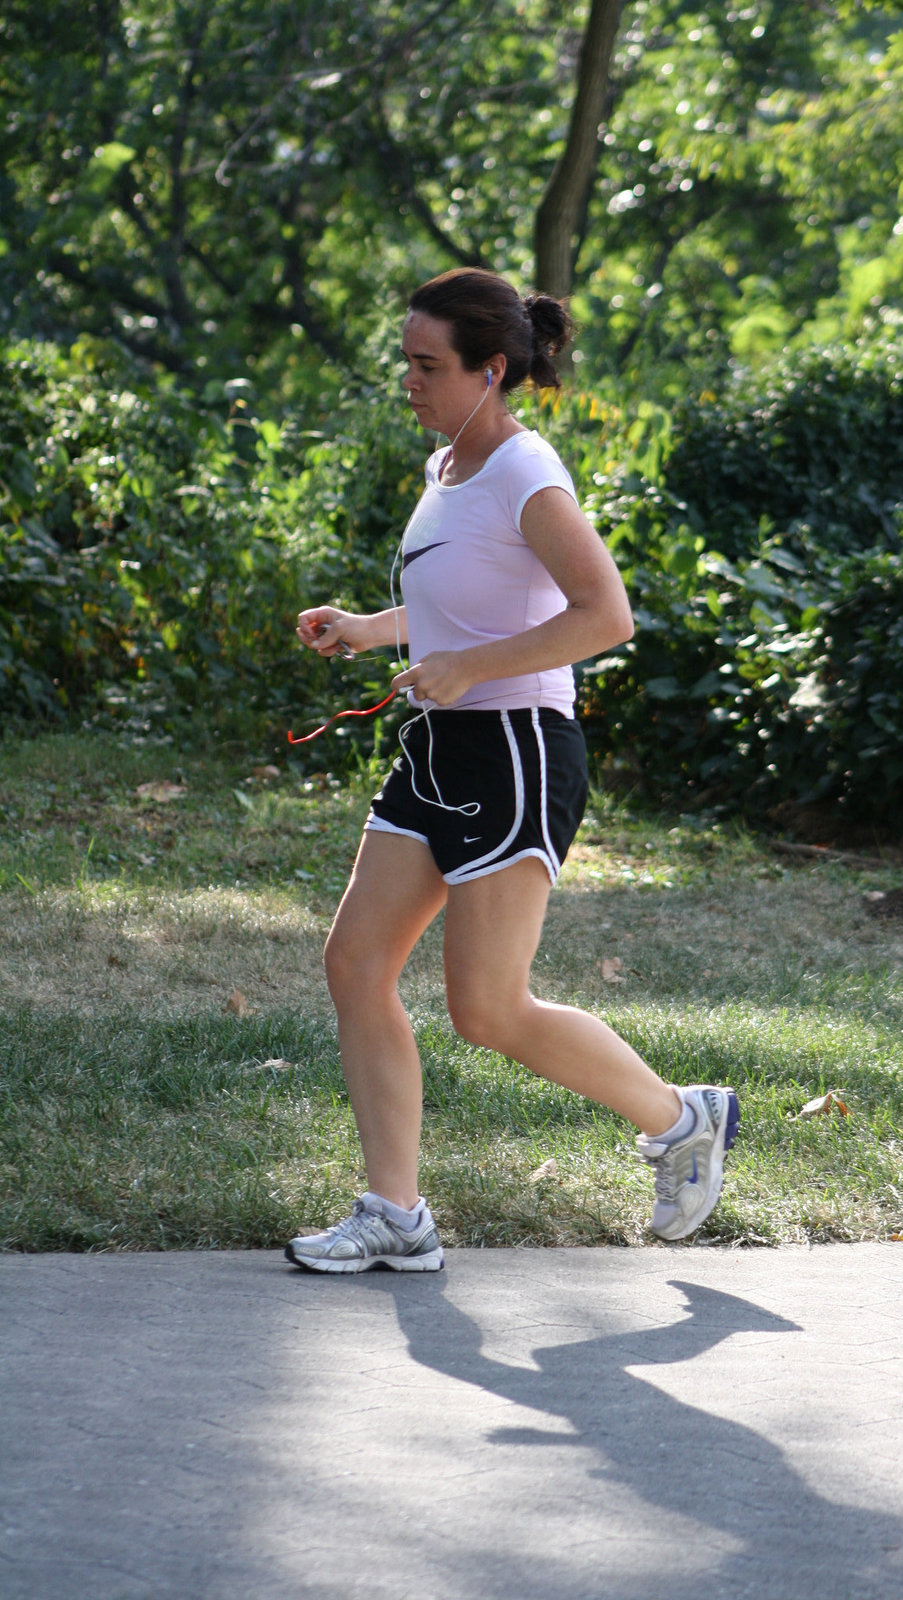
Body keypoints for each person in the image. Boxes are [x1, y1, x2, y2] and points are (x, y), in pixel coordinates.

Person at [285, 268, 739, 1273]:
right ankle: (394, 1212)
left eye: (426, 364)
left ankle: (680, 1118)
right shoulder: (448, 466)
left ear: (491, 370)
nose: (407, 379)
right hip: (440, 745)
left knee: (486, 1009)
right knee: (355, 963)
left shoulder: (527, 474)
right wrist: (375, 630)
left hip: (517, 752)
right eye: (404, 359)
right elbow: (468, 603)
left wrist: (465, 667)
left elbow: (602, 616)